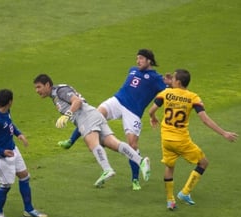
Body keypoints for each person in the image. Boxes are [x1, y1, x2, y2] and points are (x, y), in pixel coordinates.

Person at [58, 49, 171, 190]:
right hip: (117, 101)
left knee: (132, 145)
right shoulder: (133, 70)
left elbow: (170, 92)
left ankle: (135, 179)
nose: (138, 61)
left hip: (133, 111)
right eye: (137, 58)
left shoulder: (156, 79)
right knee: (93, 115)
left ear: (149, 60)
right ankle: (70, 141)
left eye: (141, 58)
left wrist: (170, 83)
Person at [33, 74, 151, 188]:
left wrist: (68, 114)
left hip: (85, 116)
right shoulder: (55, 95)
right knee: (113, 143)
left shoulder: (60, 91)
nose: (37, 90)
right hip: (92, 114)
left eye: (39, 87)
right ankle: (141, 161)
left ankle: (107, 169)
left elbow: (77, 101)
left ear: (47, 84)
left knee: (93, 144)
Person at [148, 69, 238, 210]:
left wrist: (153, 118)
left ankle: (170, 201)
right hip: (182, 141)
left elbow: (151, 110)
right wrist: (224, 133)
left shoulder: (165, 93)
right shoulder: (193, 97)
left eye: (173, 78)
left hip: (166, 139)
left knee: (169, 167)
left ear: (177, 82)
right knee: (203, 163)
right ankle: (185, 192)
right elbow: (204, 120)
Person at [0, 89, 47, 217]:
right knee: (5, 185)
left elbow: (10, 125)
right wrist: (2, 151)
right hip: (0, 157)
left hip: (13, 150)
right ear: (10, 102)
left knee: (24, 176)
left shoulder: (5, 111)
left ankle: (28, 209)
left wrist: (19, 134)